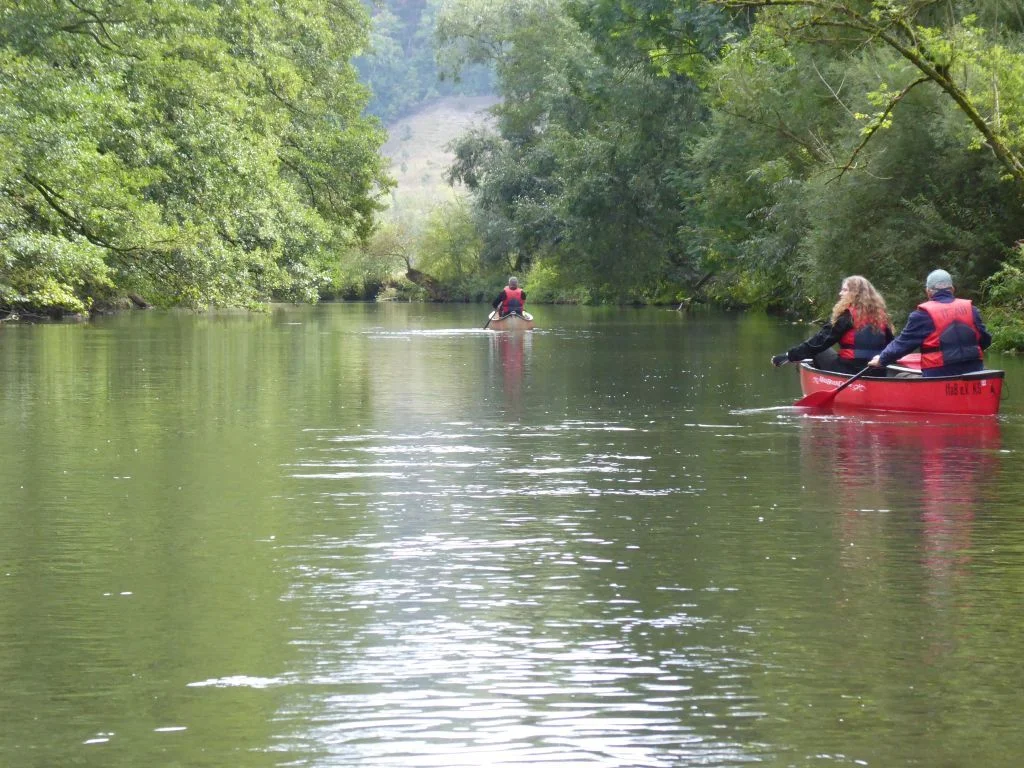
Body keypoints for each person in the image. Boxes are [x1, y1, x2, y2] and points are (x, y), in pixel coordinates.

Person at [868, 269, 991, 377]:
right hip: (974, 372)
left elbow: (903, 344)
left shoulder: (922, 315)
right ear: (952, 289)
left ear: (928, 292)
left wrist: (882, 359)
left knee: (901, 375)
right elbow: (986, 340)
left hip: (939, 375)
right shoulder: (972, 310)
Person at [770, 275, 894, 375]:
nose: (840, 293)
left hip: (849, 370)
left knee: (816, 349)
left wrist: (789, 356)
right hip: (877, 371)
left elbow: (819, 342)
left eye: (845, 290)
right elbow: (892, 347)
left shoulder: (846, 316)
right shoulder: (882, 316)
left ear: (855, 293)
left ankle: (818, 378)